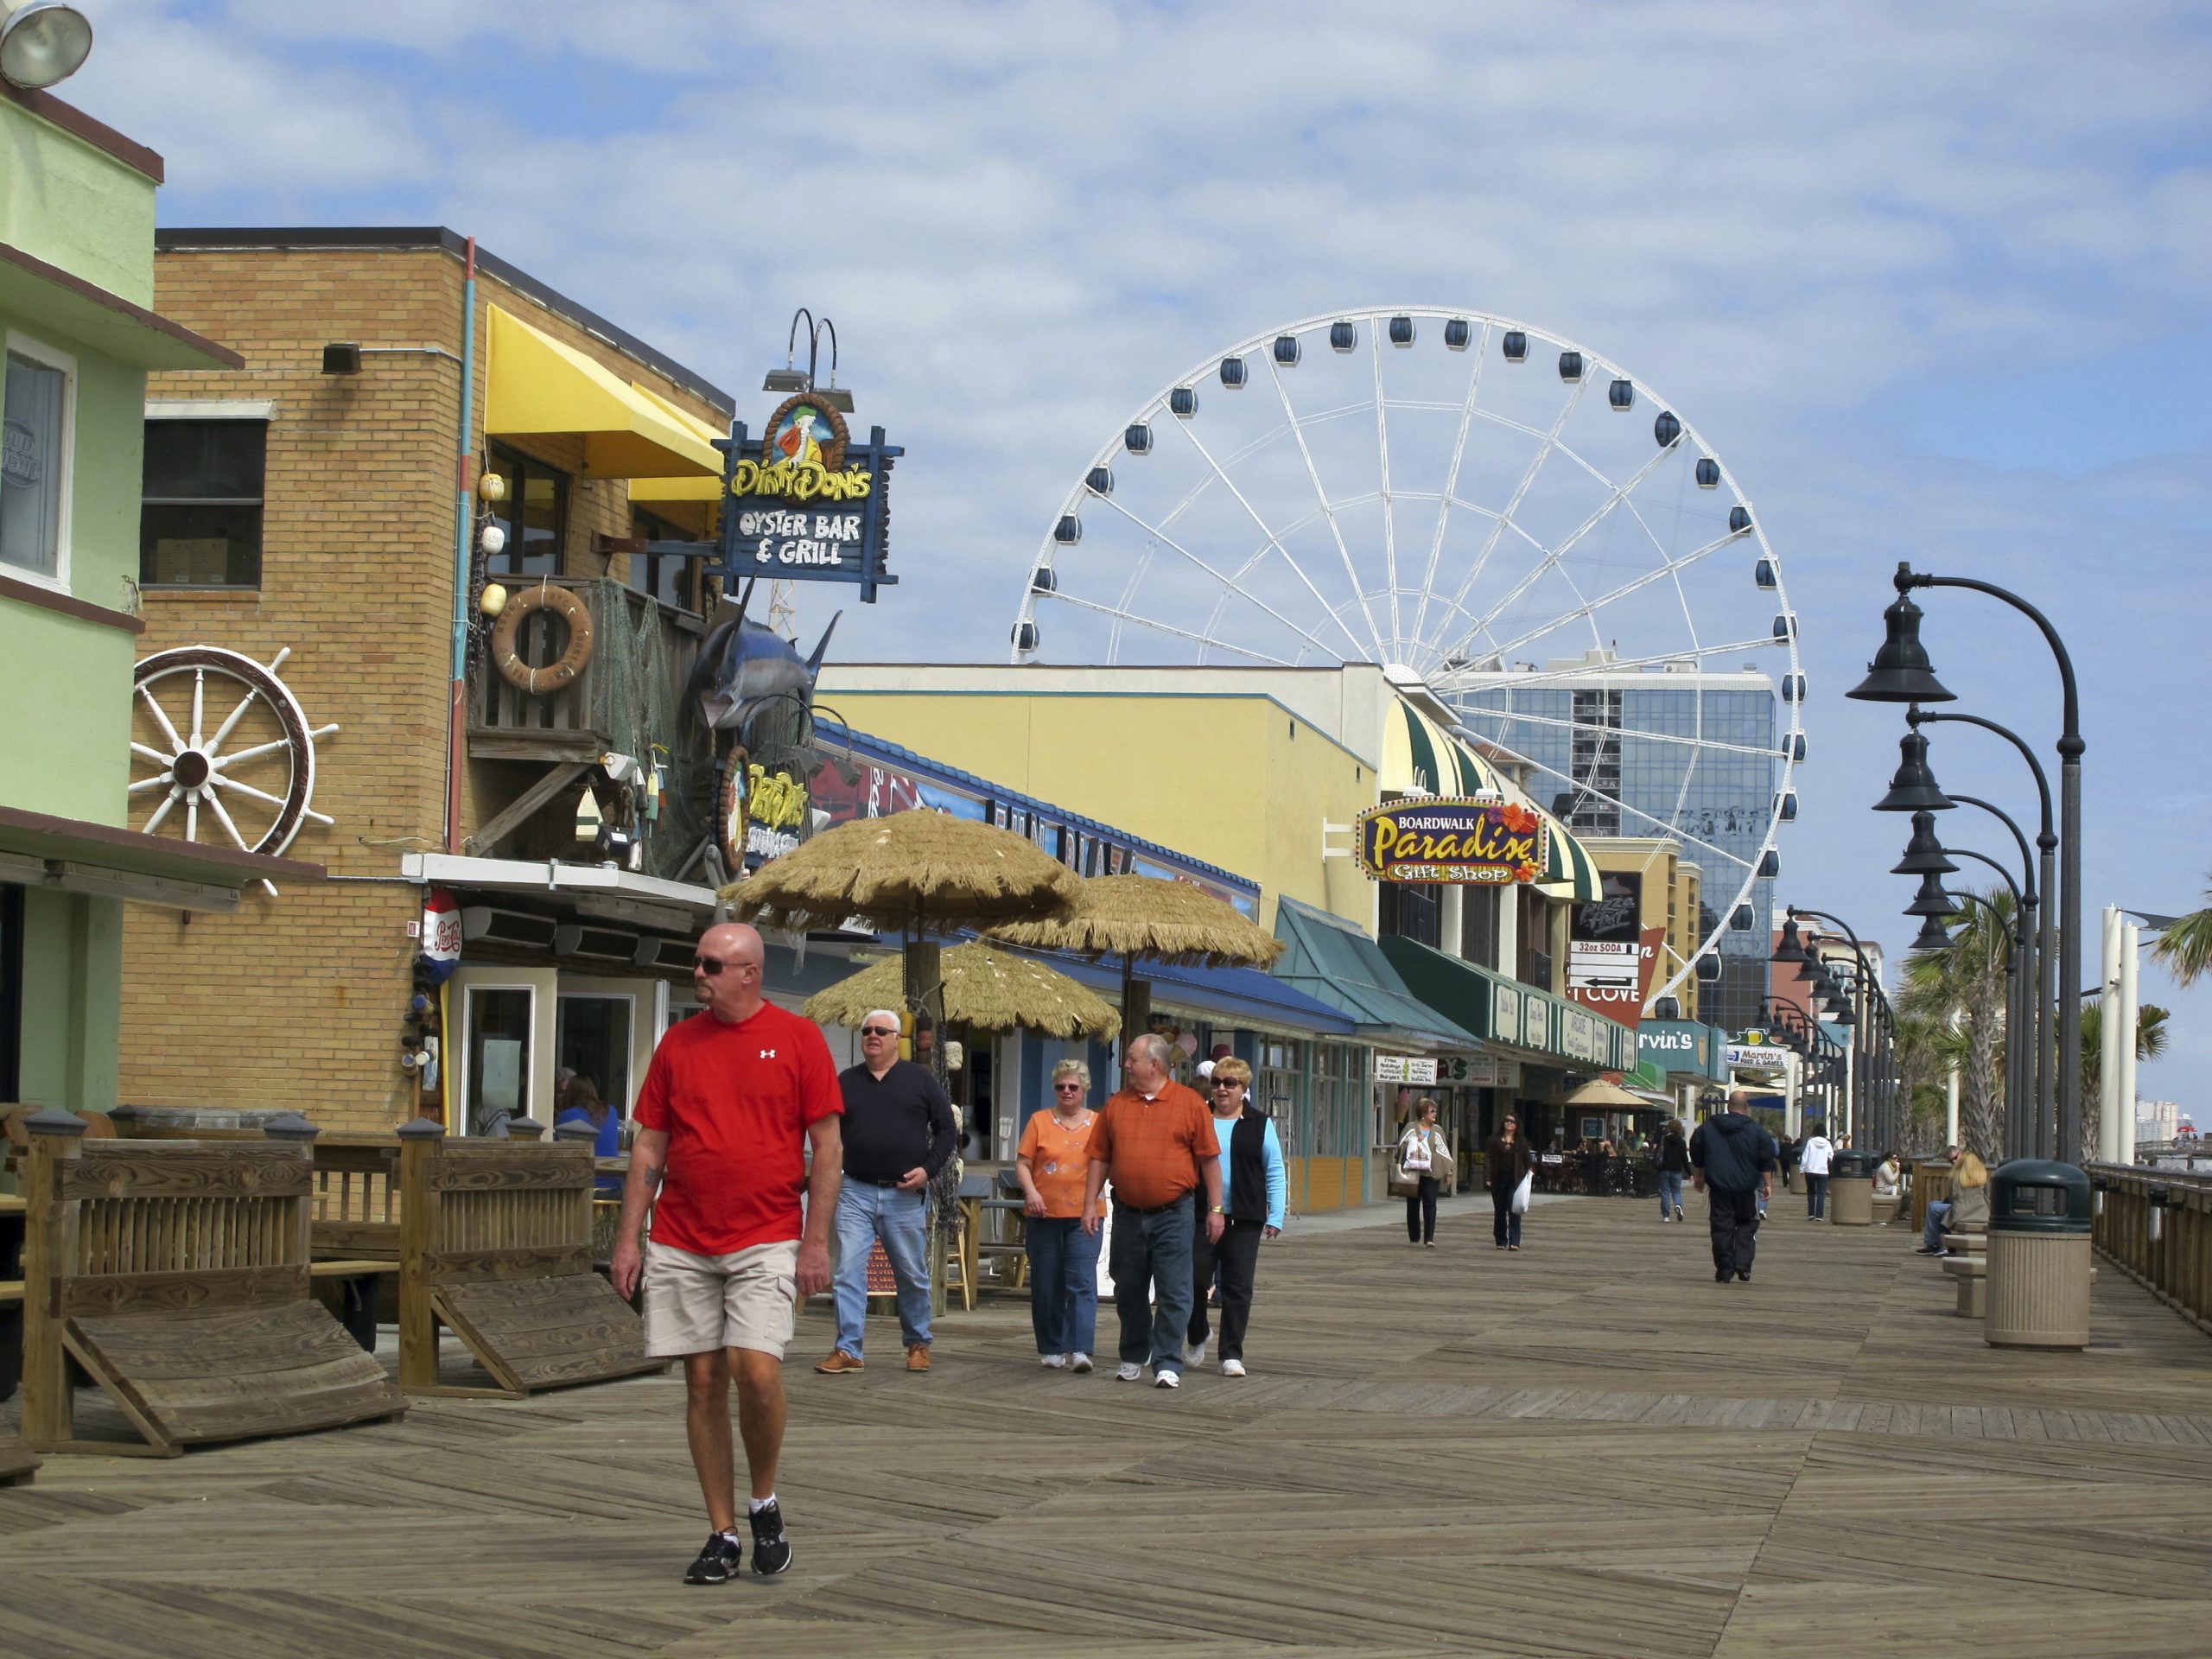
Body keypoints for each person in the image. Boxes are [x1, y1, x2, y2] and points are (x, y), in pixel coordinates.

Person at [612, 922, 841, 1586]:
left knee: (757, 1371)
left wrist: (816, 1241)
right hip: (682, 1235)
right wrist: (630, 1238)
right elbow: (649, 1147)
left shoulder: (798, 1039)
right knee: (703, 1381)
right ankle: (721, 1533)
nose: (699, 973)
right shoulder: (678, 1045)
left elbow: (827, 1147)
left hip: (766, 1232)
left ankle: (763, 1500)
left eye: (712, 964)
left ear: (749, 972)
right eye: (698, 963)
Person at [817, 1009, 957, 1377]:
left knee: (910, 1273)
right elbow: (824, 1133)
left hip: (904, 1194)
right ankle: (848, 1349)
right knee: (847, 1271)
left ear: (897, 1038)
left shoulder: (920, 1080)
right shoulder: (845, 1081)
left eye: (881, 1031)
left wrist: (928, 1170)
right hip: (855, 1189)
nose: (872, 1036)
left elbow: (947, 1131)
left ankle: (917, 1343)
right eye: (866, 1031)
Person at [1081, 1033, 1222, 1389]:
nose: (1125, 1065)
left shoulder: (1189, 1103)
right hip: (1127, 1212)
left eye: (1131, 1059)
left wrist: (1216, 1209)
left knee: (1175, 1290)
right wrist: (1090, 1204)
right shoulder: (1115, 1105)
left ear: (1154, 1064)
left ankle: (1167, 1361)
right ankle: (1133, 1354)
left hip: (1174, 1212)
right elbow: (1099, 1156)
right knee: (1128, 1288)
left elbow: (1209, 1160)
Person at [1182, 1058, 1284, 1377]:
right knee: (1193, 1280)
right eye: (1216, 1083)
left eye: (1230, 1083)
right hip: (1200, 1214)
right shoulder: (1198, 1118)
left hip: (1245, 1215)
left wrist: (1276, 1214)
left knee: (1239, 1286)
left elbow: (1274, 1170)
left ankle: (1230, 1353)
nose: (1222, 1089)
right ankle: (1198, 1333)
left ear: (1244, 1088)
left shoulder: (1259, 1123)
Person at [1015, 1058, 1100, 1371]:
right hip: (1043, 1213)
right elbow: (1023, 1163)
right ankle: (1051, 1347)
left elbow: (1105, 1164)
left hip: (1085, 1214)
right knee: (1046, 1282)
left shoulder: (1098, 1123)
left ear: (1085, 1089)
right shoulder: (1039, 1121)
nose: (1067, 1091)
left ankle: (1080, 1348)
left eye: (1073, 1087)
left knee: (1081, 1281)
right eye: (1061, 1086)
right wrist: (1032, 1192)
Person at [1689, 1090, 1777, 1284]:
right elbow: (1766, 1159)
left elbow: (1696, 1148)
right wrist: (1768, 1185)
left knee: (1722, 1227)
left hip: (1719, 1186)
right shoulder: (1757, 1131)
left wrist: (1698, 1175)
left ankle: (1724, 1269)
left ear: (1728, 1106)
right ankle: (1743, 1264)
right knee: (1746, 1224)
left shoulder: (1708, 1127)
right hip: (1746, 1187)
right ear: (1746, 1108)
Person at [1916, 1149, 1992, 1254]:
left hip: (1961, 1212)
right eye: (1951, 1160)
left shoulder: (1956, 1176)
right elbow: (1988, 1197)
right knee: (1935, 1206)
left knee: (1935, 1210)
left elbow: (1953, 1198)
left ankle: (1934, 1244)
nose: (1954, 1162)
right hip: (1982, 1212)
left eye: (1955, 1159)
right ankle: (1937, 1244)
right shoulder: (1983, 1176)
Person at [1397, 1099, 1447, 1247]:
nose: (1435, 1114)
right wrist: (1414, 1141)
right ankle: (1414, 1237)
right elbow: (1400, 1146)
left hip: (1431, 1173)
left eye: (1435, 1111)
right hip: (1413, 1173)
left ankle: (1429, 1238)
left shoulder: (1437, 1130)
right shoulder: (1411, 1128)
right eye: (1432, 1111)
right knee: (1413, 1205)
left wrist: (1448, 1172)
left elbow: (1444, 1150)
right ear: (1423, 1113)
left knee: (1430, 1204)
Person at [1483, 1111, 1535, 1250]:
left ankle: (1514, 1241)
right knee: (1499, 1211)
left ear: (1517, 1125)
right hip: (1498, 1178)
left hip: (1515, 1180)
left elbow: (1527, 1160)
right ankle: (1500, 1240)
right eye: (1506, 1121)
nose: (1508, 1123)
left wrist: (1530, 1173)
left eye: (1512, 1121)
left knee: (1514, 1210)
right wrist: (1487, 1177)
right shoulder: (1494, 1140)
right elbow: (1488, 1159)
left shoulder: (1521, 1142)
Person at [1656, 1119, 1690, 1222]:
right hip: (1677, 1170)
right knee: (1676, 1191)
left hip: (1664, 1169)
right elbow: (1685, 1158)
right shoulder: (1682, 1141)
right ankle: (1678, 1205)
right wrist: (1690, 1173)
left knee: (1665, 1192)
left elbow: (1658, 1153)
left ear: (1669, 1128)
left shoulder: (1664, 1140)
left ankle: (1666, 1216)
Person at [1799, 1125, 1834, 1222]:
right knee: (1821, 1193)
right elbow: (1831, 1156)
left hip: (1810, 1170)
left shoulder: (1810, 1142)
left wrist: (1802, 1169)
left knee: (1810, 1192)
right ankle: (1819, 1215)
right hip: (1823, 1171)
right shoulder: (1827, 1143)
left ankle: (1811, 1214)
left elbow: (1805, 1156)